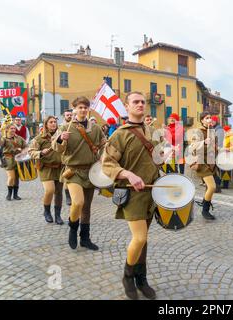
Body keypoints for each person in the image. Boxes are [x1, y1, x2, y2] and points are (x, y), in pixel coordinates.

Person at [102, 91, 170, 300]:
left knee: (144, 240)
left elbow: (155, 160)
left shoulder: (152, 131)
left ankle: (142, 278)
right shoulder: (119, 134)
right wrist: (128, 174)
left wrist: (165, 155)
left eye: (142, 102)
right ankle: (128, 276)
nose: (140, 105)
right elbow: (107, 164)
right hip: (132, 193)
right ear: (127, 106)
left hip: (152, 191)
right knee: (139, 237)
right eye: (135, 102)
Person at [52, 96, 106, 251]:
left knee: (87, 207)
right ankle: (73, 228)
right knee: (78, 202)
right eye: (80, 107)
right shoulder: (65, 128)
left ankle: (85, 238)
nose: (83, 110)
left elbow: (103, 144)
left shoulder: (95, 128)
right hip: (73, 171)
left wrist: (106, 153)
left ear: (88, 109)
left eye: (85, 107)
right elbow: (57, 148)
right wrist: (61, 140)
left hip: (90, 171)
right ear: (74, 109)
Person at [28, 116, 64, 225]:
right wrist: (41, 153)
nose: (53, 124)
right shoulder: (39, 138)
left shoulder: (61, 136)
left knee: (58, 193)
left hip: (59, 167)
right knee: (50, 190)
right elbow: (31, 151)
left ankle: (58, 215)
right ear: (46, 124)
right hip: (45, 167)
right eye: (51, 122)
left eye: (55, 122)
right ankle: (47, 211)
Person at [187, 111, 218, 220]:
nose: (209, 119)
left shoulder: (212, 131)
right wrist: (204, 142)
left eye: (210, 117)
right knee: (212, 187)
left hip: (211, 162)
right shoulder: (198, 132)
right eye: (207, 118)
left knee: (208, 187)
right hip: (201, 162)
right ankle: (205, 210)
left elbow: (214, 147)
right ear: (202, 120)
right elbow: (192, 147)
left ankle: (206, 208)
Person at [0, 124, 27, 200]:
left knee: (16, 178)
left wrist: (23, 152)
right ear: (7, 130)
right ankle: (9, 194)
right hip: (8, 159)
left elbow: (26, 146)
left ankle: (15, 195)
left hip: (18, 160)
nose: (13, 130)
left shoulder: (19, 138)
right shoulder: (4, 139)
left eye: (14, 128)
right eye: (11, 128)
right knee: (11, 177)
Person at [220, 125, 233, 189]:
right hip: (225, 155)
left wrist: (228, 149)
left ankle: (225, 185)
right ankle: (224, 184)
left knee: (226, 170)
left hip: (229, 155)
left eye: (225, 131)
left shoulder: (231, 137)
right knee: (224, 169)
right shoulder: (226, 137)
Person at [211, 116, 223, 193]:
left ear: (216, 121)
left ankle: (217, 187)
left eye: (213, 121)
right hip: (214, 152)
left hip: (217, 152)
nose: (211, 122)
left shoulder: (219, 129)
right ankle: (216, 186)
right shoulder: (214, 128)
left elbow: (219, 142)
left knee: (216, 170)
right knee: (214, 169)